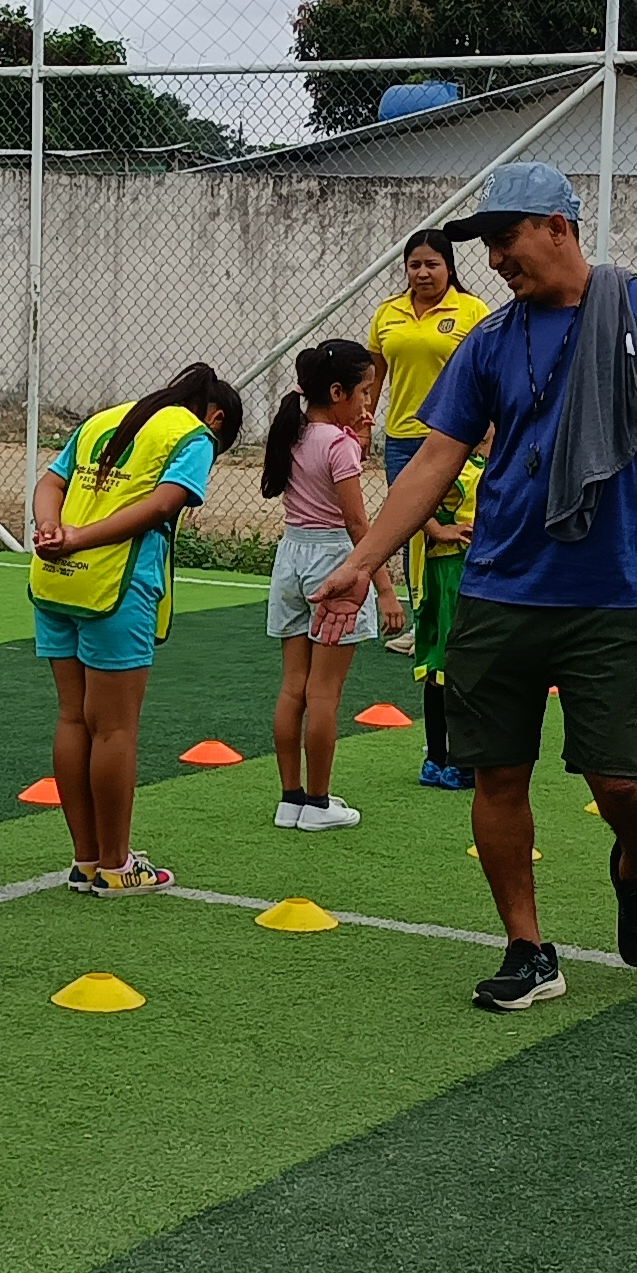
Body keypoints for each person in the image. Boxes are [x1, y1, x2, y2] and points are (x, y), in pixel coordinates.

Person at [312, 162, 637, 1012]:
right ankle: (527, 948)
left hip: (611, 592)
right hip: (499, 588)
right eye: (485, 244)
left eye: (505, 238)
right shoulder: (489, 341)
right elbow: (435, 458)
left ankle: (636, 862)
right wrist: (364, 560)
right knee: (495, 775)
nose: (493, 259)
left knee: (621, 785)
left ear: (559, 226)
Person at [33, 361, 243, 893]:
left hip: (55, 580)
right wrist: (81, 539)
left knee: (72, 717)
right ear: (216, 418)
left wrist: (52, 529)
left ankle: (86, 861)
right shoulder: (192, 435)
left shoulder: (105, 418)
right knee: (114, 728)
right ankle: (116, 865)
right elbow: (163, 505)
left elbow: (50, 482)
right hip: (115, 586)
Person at [259, 338, 379, 832]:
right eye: (364, 391)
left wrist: (358, 443)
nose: (369, 402)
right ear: (337, 392)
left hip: (291, 558)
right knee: (324, 693)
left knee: (294, 687)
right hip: (333, 560)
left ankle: (290, 799)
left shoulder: (294, 432)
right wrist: (382, 586)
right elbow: (357, 522)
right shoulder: (338, 444)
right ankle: (318, 801)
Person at [366, 229, 487, 651]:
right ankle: (425, 624)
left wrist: (489, 430)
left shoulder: (472, 311)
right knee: (412, 528)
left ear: (449, 267)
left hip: (457, 437)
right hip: (402, 438)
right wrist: (363, 425)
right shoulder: (388, 313)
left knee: (461, 528)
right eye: (414, 265)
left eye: (431, 264)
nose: (422, 273)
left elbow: (488, 373)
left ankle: (468, 620)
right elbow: (374, 376)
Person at [405, 451, 483, 790]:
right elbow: (410, 492)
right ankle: (459, 762)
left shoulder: (464, 459)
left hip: (443, 572)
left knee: (442, 667)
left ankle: (437, 759)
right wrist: (438, 529)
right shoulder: (461, 462)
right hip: (456, 573)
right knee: (460, 666)